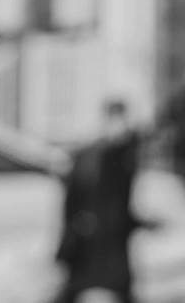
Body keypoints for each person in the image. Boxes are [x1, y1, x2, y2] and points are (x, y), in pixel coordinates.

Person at [55, 99, 141, 303]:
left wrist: (131, 222)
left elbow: (123, 199)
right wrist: (77, 227)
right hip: (92, 234)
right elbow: (76, 196)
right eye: (115, 119)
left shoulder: (126, 154)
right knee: (78, 283)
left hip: (114, 235)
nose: (119, 127)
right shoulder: (92, 155)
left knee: (120, 285)